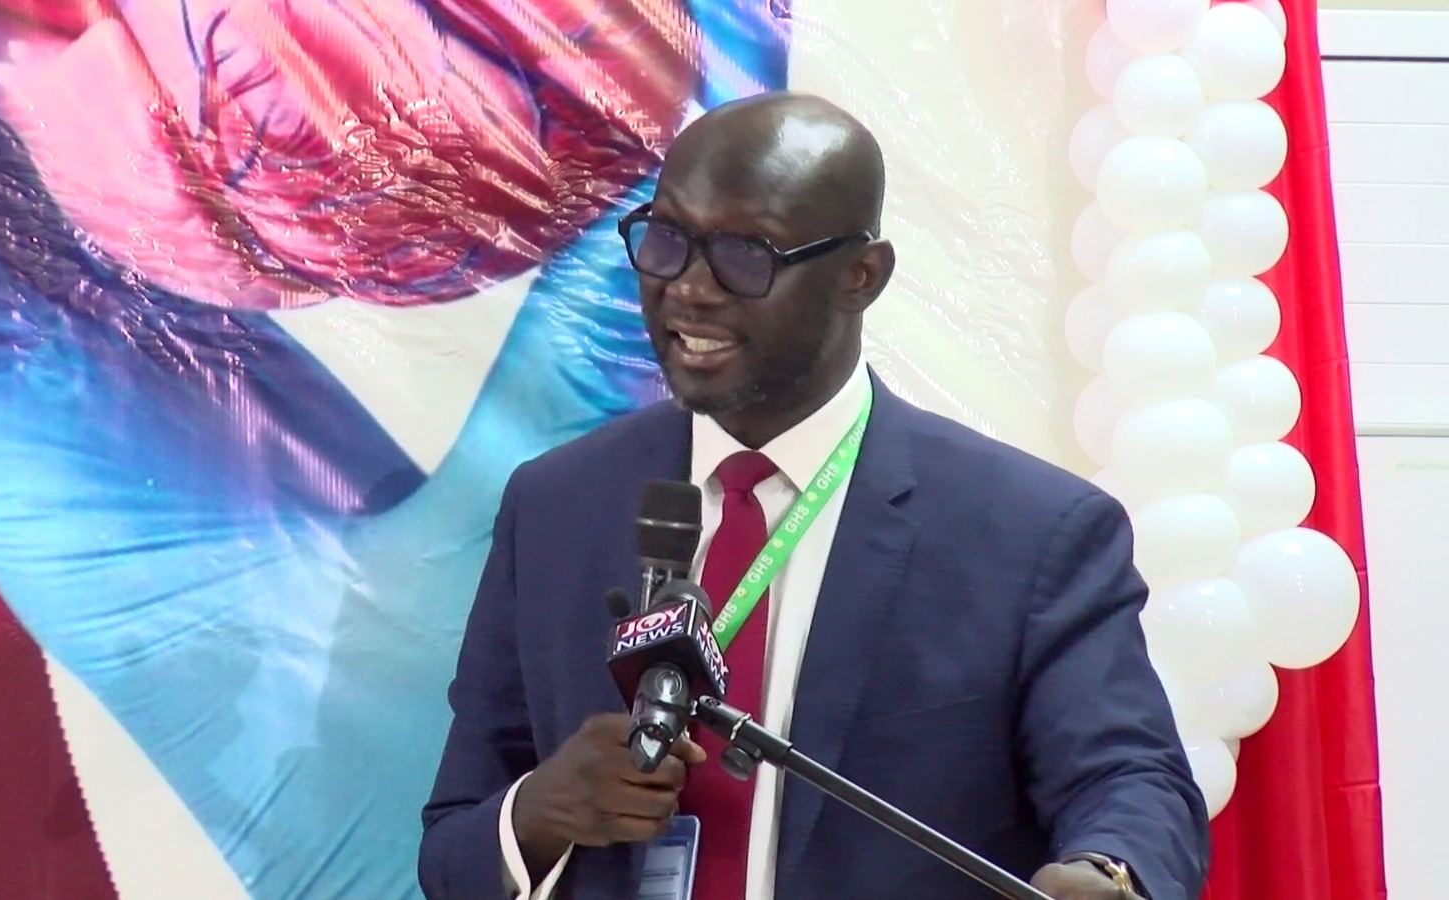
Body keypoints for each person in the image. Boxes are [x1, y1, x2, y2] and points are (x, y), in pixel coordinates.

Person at [419, 90, 1209, 900]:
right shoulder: (555, 508)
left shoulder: (1029, 532)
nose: (689, 288)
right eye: (667, 239)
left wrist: (1108, 874)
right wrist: (534, 816)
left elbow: (1129, 779)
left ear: (861, 276)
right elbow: (450, 846)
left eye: (745, 254)